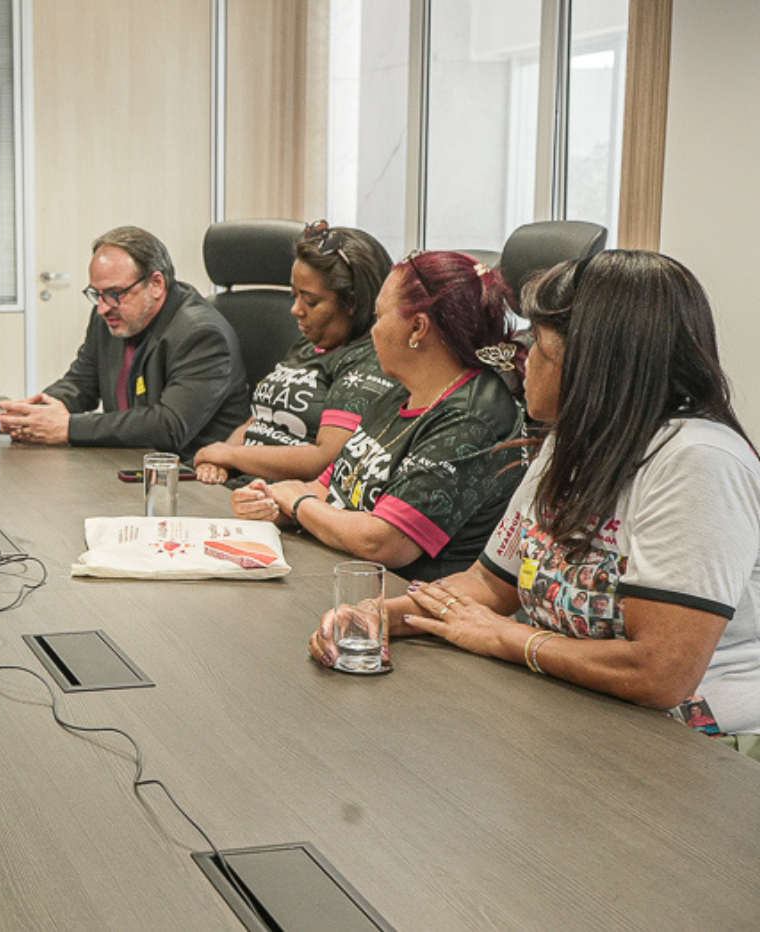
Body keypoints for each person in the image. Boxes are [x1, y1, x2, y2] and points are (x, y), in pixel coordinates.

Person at [310, 251, 760, 760]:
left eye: (538, 346)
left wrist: (508, 638)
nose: (520, 362)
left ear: (593, 362)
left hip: (700, 747)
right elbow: (488, 585)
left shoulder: (699, 461)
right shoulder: (571, 441)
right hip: (578, 713)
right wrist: (379, 615)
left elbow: (660, 674)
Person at [232, 251, 526, 579]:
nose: (373, 331)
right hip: (340, 570)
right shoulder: (404, 389)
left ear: (418, 328)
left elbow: (384, 542)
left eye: (379, 317)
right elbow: (327, 487)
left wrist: (299, 506)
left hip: (404, 596)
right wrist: (273, 502)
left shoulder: (472, 419)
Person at [0, 226, 248, 460]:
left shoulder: (201, 334)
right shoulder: (110, 317)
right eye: (97, 294)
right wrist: (36, 413)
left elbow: (169, 426)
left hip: (189, 473)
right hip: (126, 461)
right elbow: (81, 382)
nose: (103, 308)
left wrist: (68, 428)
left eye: (114, 294)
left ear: (156, 284)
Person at [192, 221, 397, 485]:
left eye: (310, 301)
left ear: (353, 303)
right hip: (239, 482)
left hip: (281, 497)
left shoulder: (368, 359)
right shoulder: (308, 344)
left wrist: (231, 456)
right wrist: (217, 462)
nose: (295, 310)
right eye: (294, 295)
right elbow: (258, 421)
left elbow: (326, 459)